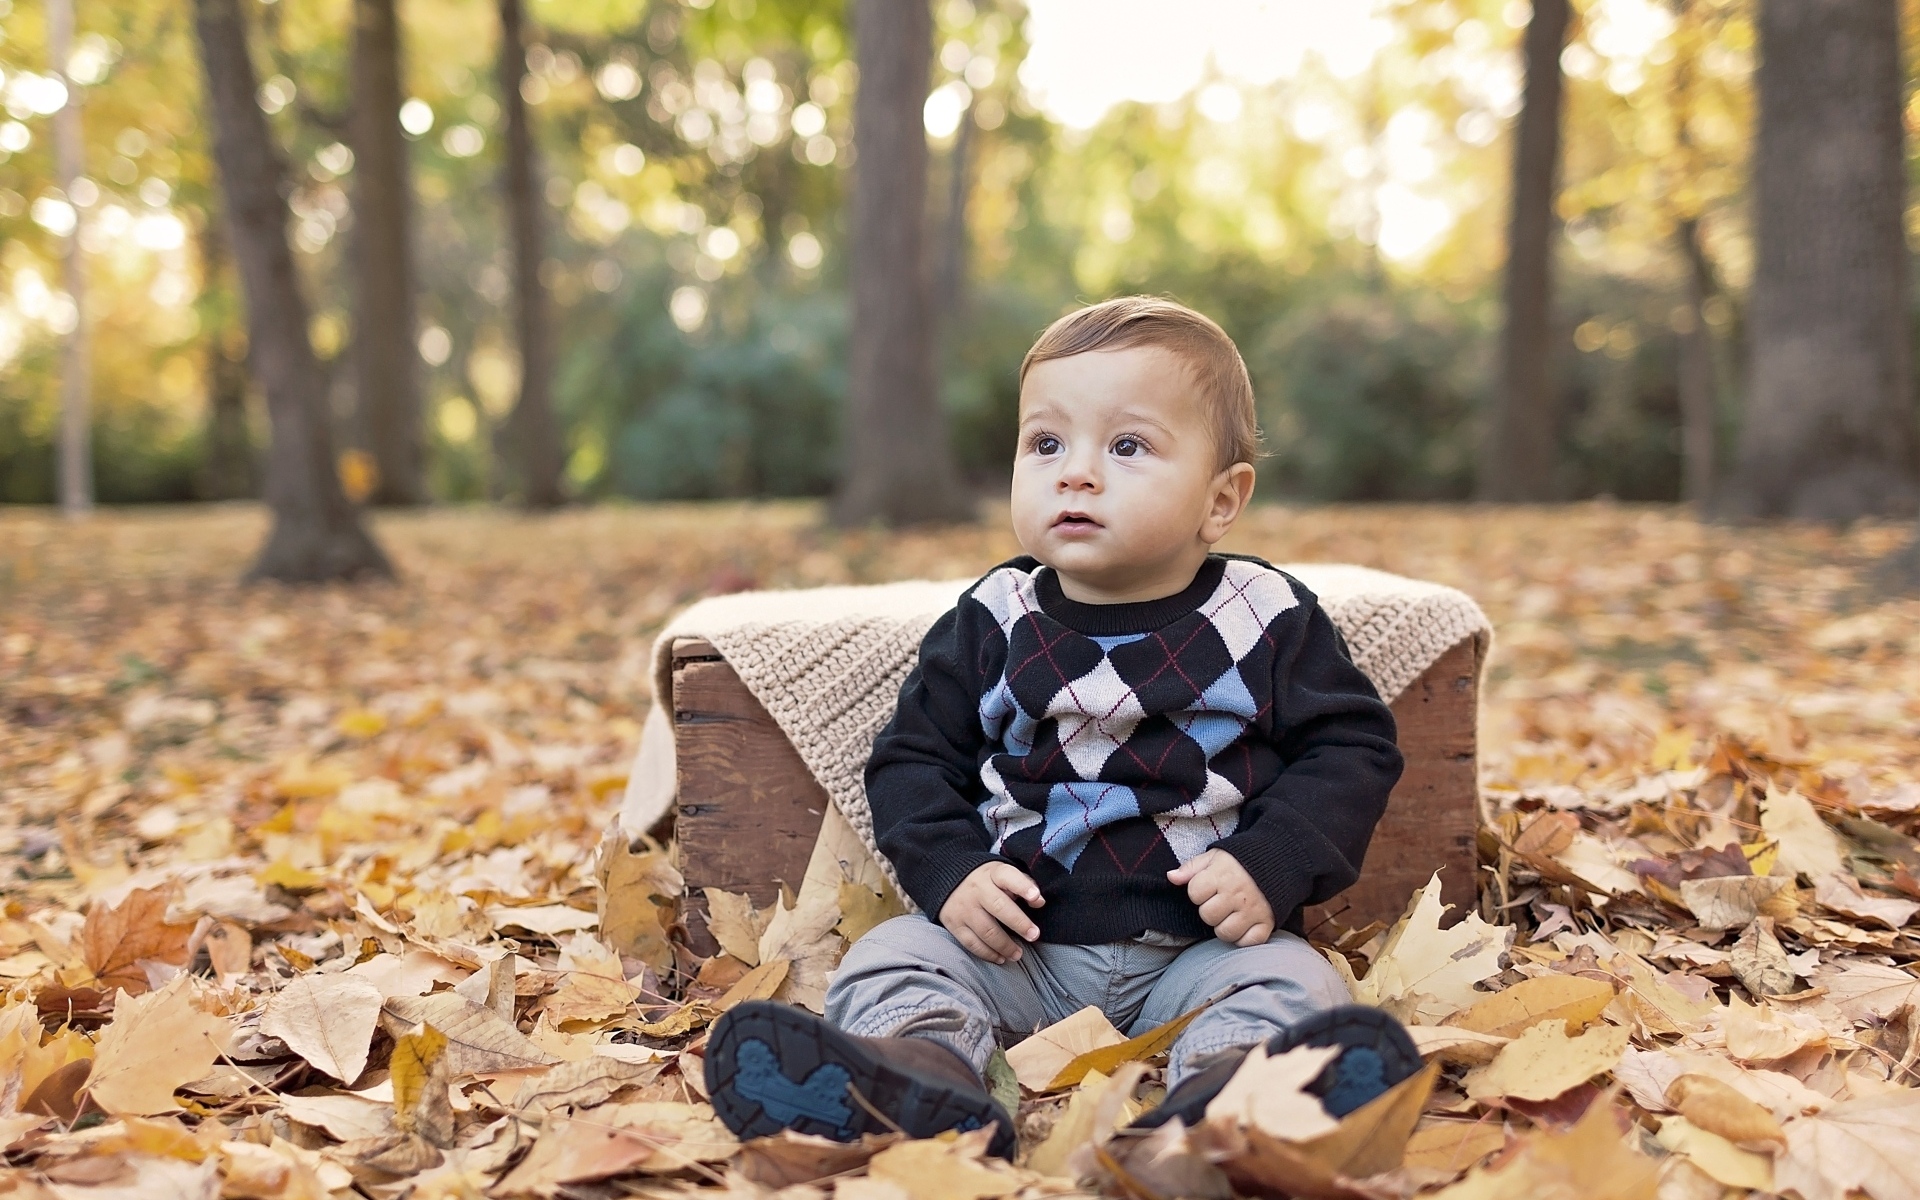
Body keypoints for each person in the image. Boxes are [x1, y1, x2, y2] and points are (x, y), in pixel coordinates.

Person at [705, 296, 1420, 1157]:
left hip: (1202, 950)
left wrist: (1269, 863)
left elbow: (1353, 747)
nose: (1075, 473)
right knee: (894, 954)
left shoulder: (1261, 616)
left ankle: (1225, 1099)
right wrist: (953, 872)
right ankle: (925, 1075)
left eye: (1127, 447)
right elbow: (911, 759)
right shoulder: (995, 616)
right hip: (1021, 952)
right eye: (1045, 444)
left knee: (1294, 982)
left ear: (1221, 500)